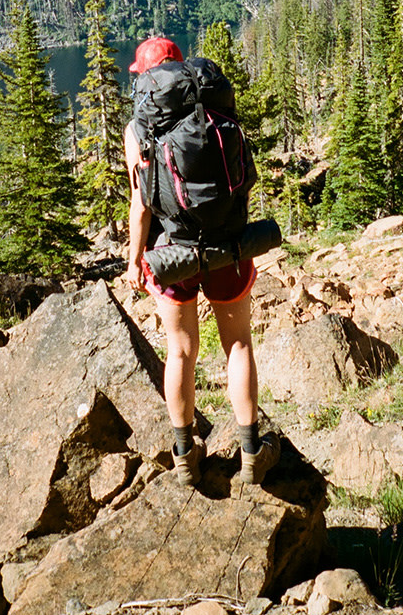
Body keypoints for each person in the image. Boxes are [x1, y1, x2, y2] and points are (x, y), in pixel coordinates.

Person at [124, 35, 280, 488]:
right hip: (229, 243)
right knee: (239, 344)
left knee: (181, 351)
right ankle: (252, 452)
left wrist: (135, 258)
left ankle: (186, 456)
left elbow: (142, 200)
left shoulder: (139, 126)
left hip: (173, 250)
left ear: (148, 78)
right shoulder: (213, 102)